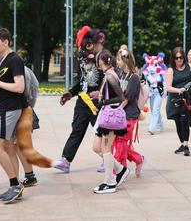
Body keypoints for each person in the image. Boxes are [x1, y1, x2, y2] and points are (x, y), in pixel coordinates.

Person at [53, 26, 105, 173]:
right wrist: (70, 93)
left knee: (102, 132)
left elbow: (109, 80)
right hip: (83, 102)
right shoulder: (83, 60)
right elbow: (80, 80)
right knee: (77, 130)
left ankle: (107, 159)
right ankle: (66, 160)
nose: (87, 50)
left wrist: (100, 93)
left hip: (99, 103)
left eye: (90, 46)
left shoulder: (105, 58)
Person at [0, 28, 28, 203]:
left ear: (6, 42)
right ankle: (14, 186)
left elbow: (19, 87)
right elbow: (4, 89)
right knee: (7, 146)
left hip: (10, 110)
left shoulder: (14, 60)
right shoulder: (1, 61)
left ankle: (15, 185)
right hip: (4, 108)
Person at [92, 49, 129, 194]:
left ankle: (110, 182)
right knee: (99, 148)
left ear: (102, 61)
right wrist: (100, 98)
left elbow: (120, 96)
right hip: (107, 116)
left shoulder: (110, 76)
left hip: (110, 117)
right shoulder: (108, 74)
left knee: (106, 149)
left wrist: (103, 102)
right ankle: (120, 170)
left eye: (98, 59)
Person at [112, 48, 144, 177]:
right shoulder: (120, 75)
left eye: (119, 59)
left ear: (125, 60)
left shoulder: (134, 77)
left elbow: (128, 97)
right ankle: (138, 159)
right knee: (119, 142)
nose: (117, 62)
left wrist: (118, 108)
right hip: (120, 113)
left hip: (129, 115)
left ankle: (117, 172)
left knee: (121, 143)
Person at [166, 47, 191, 156]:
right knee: (178, 123)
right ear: (173, 59)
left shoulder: (189, 67)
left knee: (184, 121)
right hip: (174, 100)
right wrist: (178, 90)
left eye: (181, 57)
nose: (179, 60)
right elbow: (168, 87)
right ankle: (182, 143)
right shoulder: (171, 70)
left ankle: (186, 145)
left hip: (186, 100)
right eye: (176, 58)